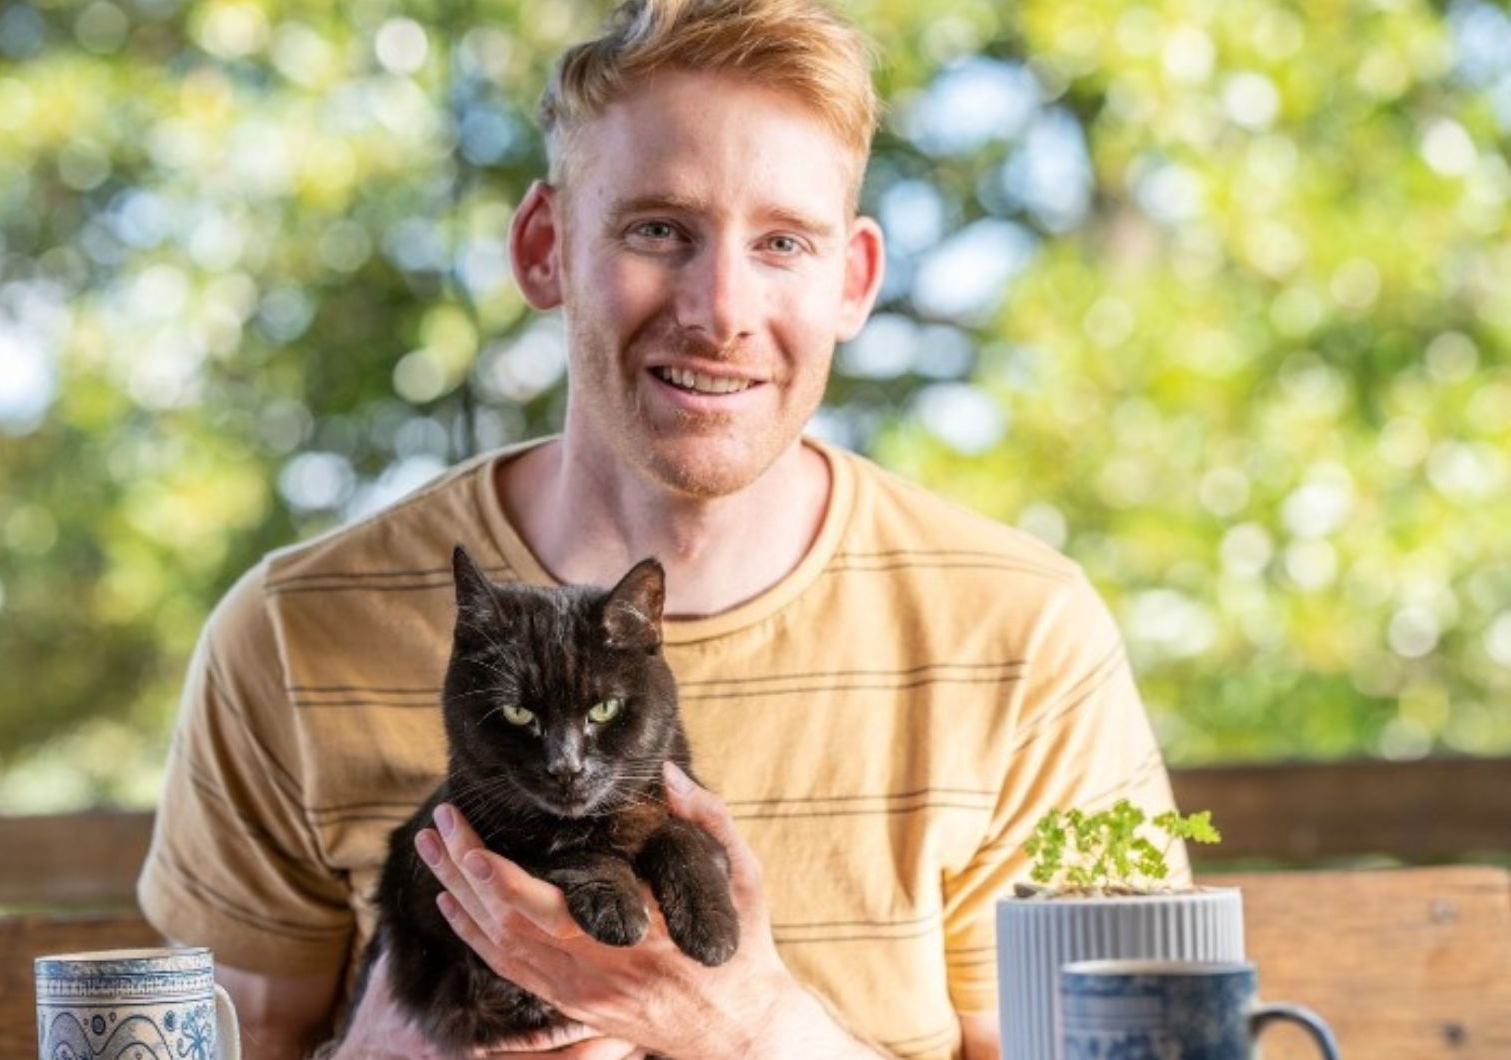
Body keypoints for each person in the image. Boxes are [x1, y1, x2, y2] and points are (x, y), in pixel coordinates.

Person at [137, 0, 1189, 1057]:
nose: (720, 308)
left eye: (783, 242)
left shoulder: (1023, 635)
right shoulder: (286, 634)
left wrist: (746, 1028)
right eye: (657, 230)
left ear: (852, 282)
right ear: (544, 248)